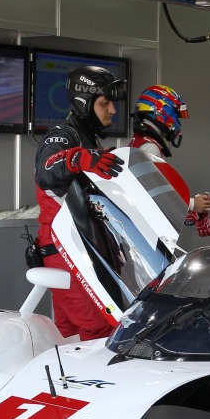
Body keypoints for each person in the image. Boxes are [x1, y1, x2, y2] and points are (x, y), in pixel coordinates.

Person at [33, 65, 128, 340]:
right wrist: (79, 157)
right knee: (99, 334)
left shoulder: (89, 141)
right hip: (68, 253)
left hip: (84, 251)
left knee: (73, 337)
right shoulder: (62, 136)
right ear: (83, 103)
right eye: (104, 103)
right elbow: (46, 171)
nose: (112, 110)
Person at [129, 84, 210, 238]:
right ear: (163, 111)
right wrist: (192, 204)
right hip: (144, 231)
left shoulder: (139, 141)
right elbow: (150, 194)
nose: (177, 121)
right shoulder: (149, 146)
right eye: (175, 114)